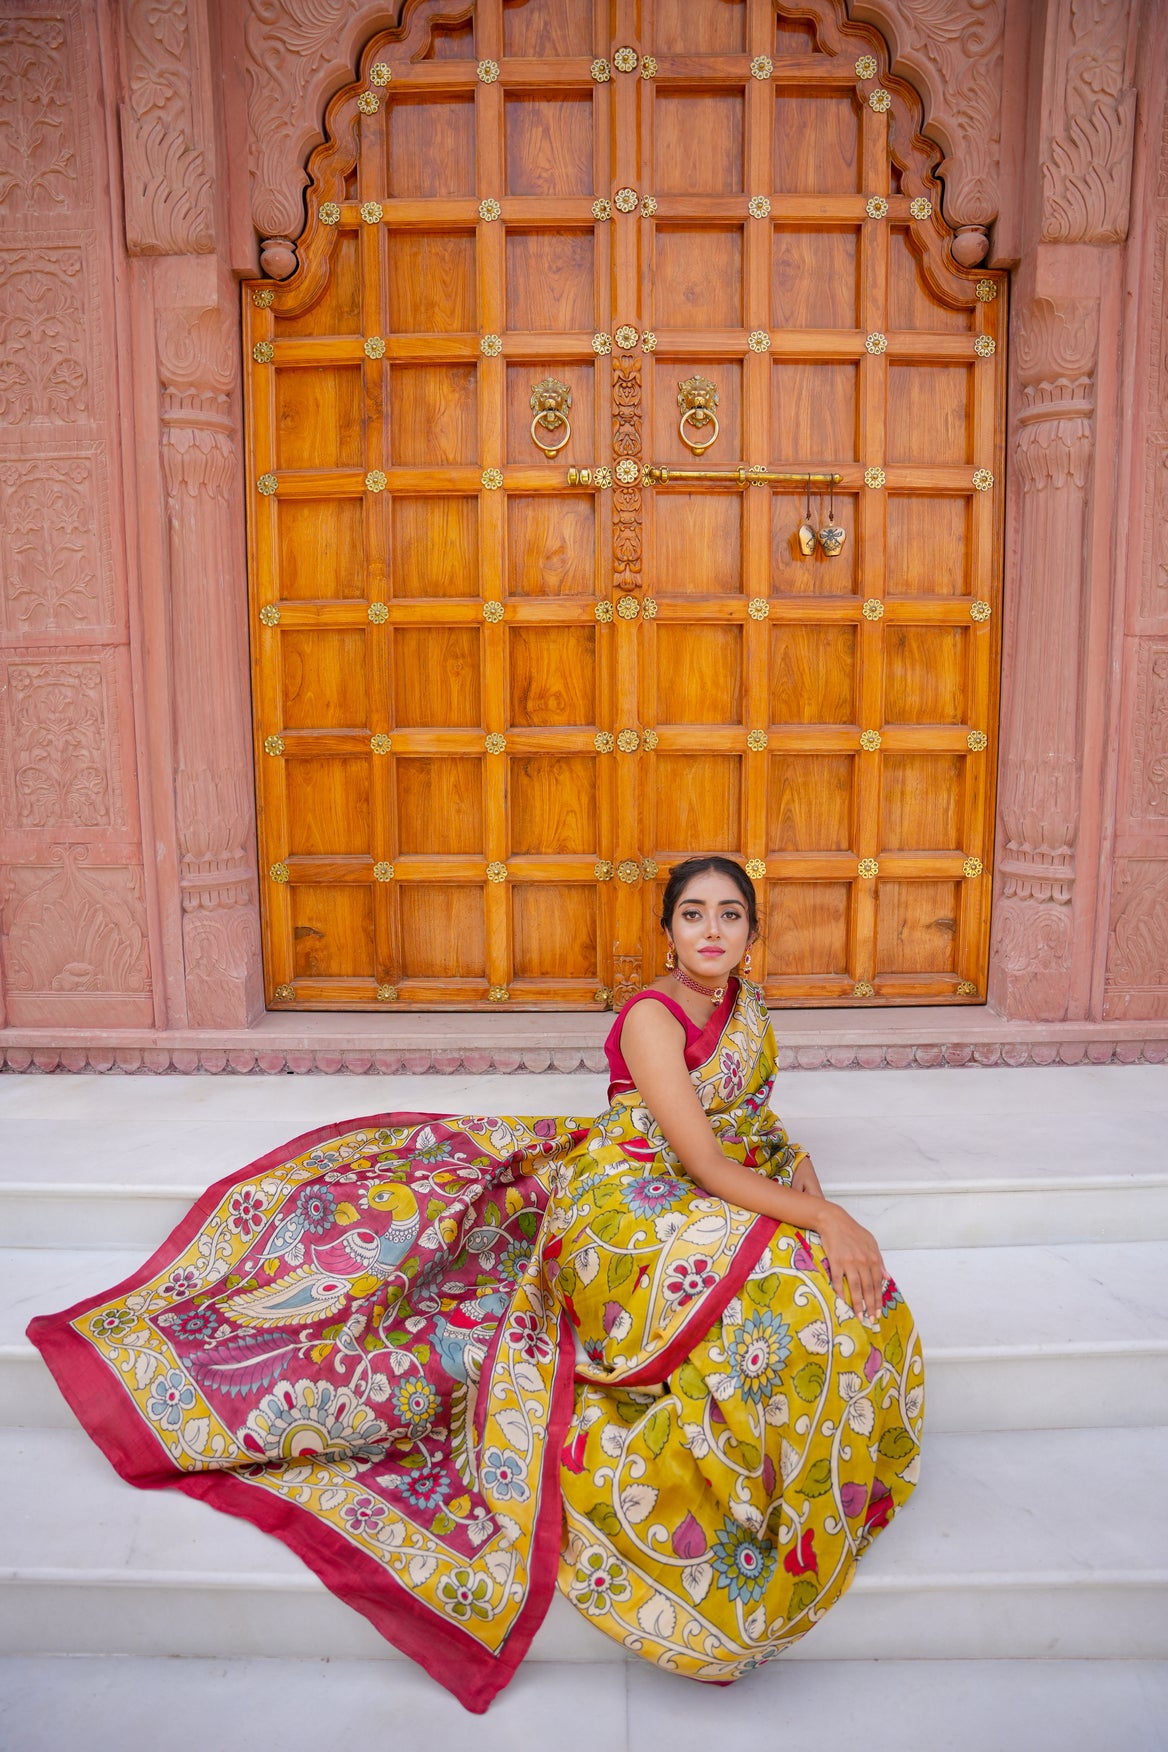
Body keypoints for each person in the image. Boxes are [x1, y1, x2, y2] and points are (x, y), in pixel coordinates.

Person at [28, 856, 922, 1714]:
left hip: (717, 1182)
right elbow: (700, 1158)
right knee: (788, 1297)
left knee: (862, 1303)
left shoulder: (748, 1006)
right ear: (667, 933)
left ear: (752, 932)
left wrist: (804, 1176)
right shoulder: (654, 1015)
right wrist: (823, 1218)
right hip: (635, 1196)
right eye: (694, 914)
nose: (712, 929)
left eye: (730, 914)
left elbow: (749, 1121)